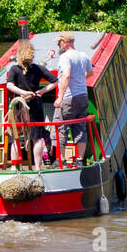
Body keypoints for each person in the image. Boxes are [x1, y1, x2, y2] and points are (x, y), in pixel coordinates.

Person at [5, 40, 57, 168]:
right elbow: (56, 81)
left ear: (18, 54)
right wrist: (42, 91)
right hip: (35, 105)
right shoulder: (39, 68)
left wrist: (22, 92)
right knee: (37, 137)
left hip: (19, 105)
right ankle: (38, 168)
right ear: (32, 55)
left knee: (16, 137)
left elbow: (9, 85)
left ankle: (14, 167)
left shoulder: (14, 69)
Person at [52, 32, 92, 166]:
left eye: (59, 42)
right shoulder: (83, 55)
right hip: (83, 96)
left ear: (65, 42)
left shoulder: (65, 57)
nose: (58, 45)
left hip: (69, 98)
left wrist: (60, 97)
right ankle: (80, 160)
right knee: (80, 127)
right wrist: (80, 80)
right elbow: (90, 73)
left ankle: (61, 160)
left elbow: (66, 75)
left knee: (61, 127)